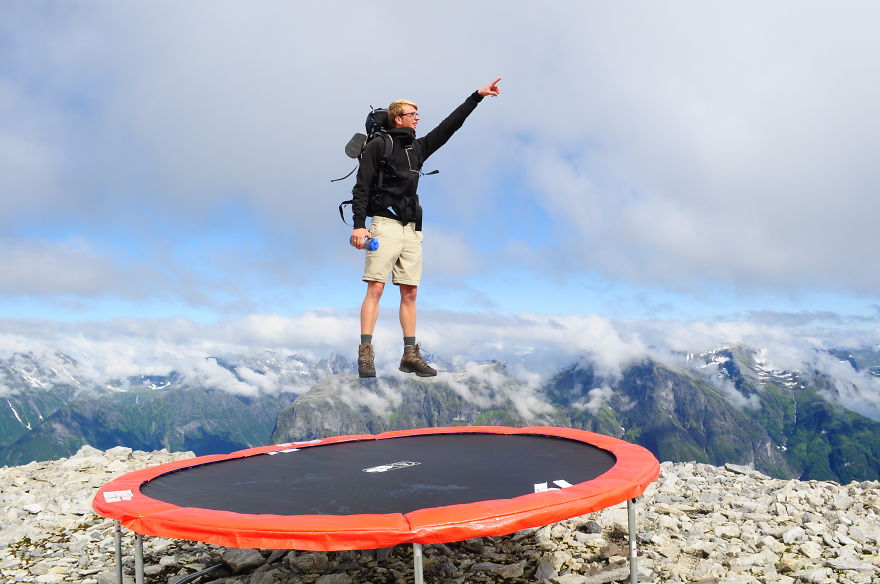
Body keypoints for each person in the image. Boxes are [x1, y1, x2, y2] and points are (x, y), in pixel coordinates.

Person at [350, 77, 502, 378]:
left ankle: (410, 355)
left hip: (412, 229)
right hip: (384, 224)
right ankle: (365, 354)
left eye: (418, 115)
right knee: (376, 287)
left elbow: (450, 126)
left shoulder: (418, 149)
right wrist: (359, 226)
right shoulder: (380, 145)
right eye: (412, 115)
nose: (417, 119)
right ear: (398, 117)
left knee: (410, 293)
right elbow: (362, 186)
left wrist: (477, 97)